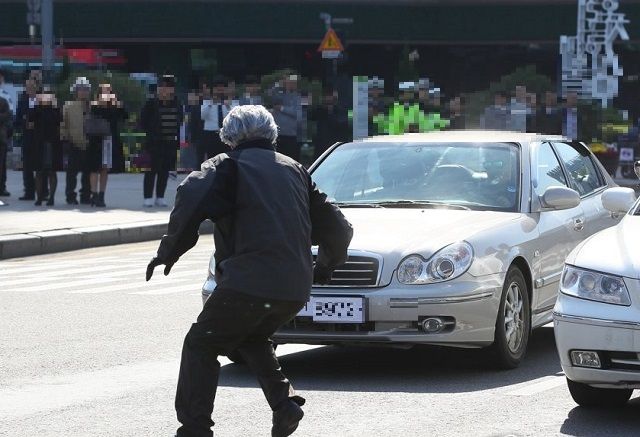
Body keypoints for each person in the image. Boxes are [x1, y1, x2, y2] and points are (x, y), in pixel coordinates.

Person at [145, 105, 353, 437]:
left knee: (201, 344)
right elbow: (339, 228)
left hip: (247, 284)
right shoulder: (296, 169)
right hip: (294, 287)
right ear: (272, 134)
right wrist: (323, 268)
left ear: (228, 137)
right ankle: (284, 405)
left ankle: (194, 428)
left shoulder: (226, 166)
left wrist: (168, 252)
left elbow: (190, 200)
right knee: (251, 337)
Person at [140, 74, 183, 207]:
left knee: (164, 171)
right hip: (153, 143)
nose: (165, 90)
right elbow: (142, 121)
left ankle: (160, 196)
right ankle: (147, 197)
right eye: (162, 87)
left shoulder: (177, 103)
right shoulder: (151, 103)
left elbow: (180, 121)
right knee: (150, 170)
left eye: (168, 87)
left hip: (170, 142)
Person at [86, 83, 127, 207]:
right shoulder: (94, 106)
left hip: (109, 141)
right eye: (104, 92)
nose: (106, 94)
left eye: (109, 91)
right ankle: (93, 194)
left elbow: (125, 116)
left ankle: (102, 195)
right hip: (95, 140)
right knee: (94, 168)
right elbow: (94, 116)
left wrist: (116, 104)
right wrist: (101, 102)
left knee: (104, 168)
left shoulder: (114, 107)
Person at [61, 77, 92, 205]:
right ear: (75, 91)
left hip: (90, 144)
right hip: (73, 142)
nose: (83, 92)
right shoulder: (68, 106)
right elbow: (63, 124)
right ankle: (70, 196)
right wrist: (64, 139)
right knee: (71, 173)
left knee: (88, 173)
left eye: (85, 89)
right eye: (80, 89)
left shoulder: (93, 106)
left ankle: (86, 195)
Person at [31, 88, 63, 206]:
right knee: (39, 171)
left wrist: (54, 105)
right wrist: (37, 103)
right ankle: (39, 197)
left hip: (52, 143)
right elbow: (30, 118)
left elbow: (59, 120)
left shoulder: (55, 110)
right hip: (39, 143)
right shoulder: (36, 109)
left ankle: (51, 197)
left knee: (51, 171)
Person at [15, 77, 40, 200]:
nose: (29, 89)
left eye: (32, 87)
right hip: (27, 138)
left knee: (41, 167)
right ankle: (29, 192)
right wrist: (25, 123)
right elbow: (17, 119)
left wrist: (36, 124)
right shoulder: (22, 100)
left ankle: (42, 192)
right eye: (27, 87)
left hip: (39, 137)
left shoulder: (41, 100)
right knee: (27, 166)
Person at [199, 77, 232, 165]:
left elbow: (235, 117)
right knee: (212, 159)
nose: (219, 90)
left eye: (222, 87)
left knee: (226, 159)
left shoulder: (231, 101)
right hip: (211, 133)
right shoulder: (206, 101)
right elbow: (202, 116)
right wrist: (211, 103)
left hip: (226, 133)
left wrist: (228, 106)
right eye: (217, 87)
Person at [271, 75, 303, 161]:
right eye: (287, 82)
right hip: (279, 134)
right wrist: (279, 84)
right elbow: (271, 93)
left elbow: (297, 112)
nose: (289, 84)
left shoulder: (299, 97)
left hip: (292, 135)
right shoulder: (281, 95)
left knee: (292, 159)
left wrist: (282, 108)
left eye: (292, 82)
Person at [0, 93, 11, 198]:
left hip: (1, 139)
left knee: (2, 165)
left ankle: (2, 188)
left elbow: (8, 115)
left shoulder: (3, 101)